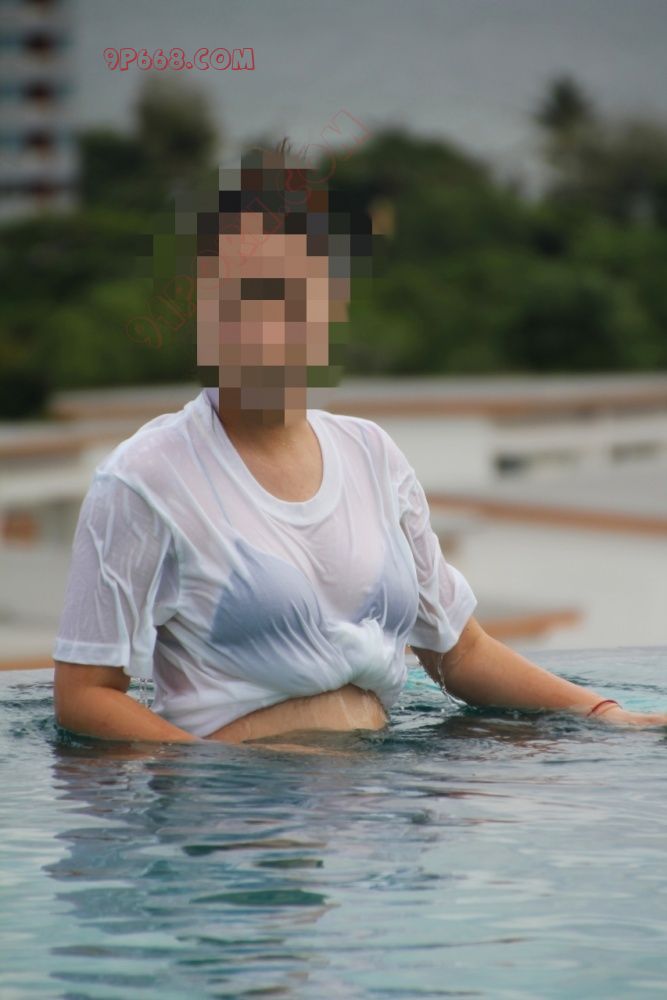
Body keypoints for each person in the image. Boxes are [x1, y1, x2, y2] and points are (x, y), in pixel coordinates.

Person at [52, 142, 667, 747]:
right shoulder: (144, 479)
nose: (266, 320)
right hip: (235, 804)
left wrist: (605, 715)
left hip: (381, 793)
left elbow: (460, 650)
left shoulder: (371, 454)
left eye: (291, 292)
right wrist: (213, 772)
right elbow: (84, 697)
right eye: (243, 292)